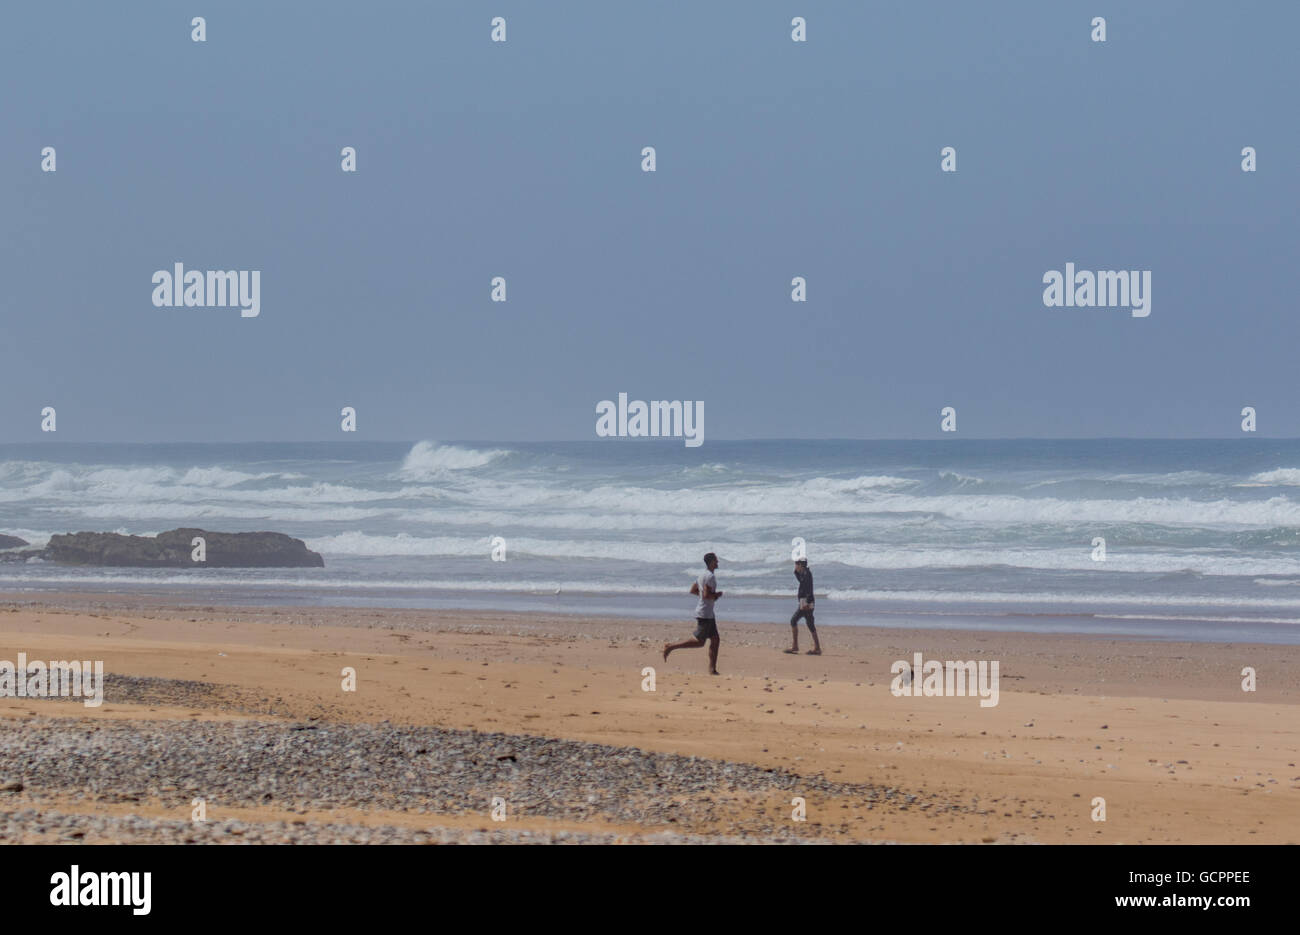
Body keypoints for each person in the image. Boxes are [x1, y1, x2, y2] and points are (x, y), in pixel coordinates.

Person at [663, 552, 723, 675]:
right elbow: (706, 595)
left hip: (707, 613)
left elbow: (693, 590)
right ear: (711, 562)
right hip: (705, 613)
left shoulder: (701, 575)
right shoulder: (710, 576)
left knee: (715, 639)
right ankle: (671, 646)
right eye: (716, 561)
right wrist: (717, 595)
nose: (718, 562)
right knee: (699, 642)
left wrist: (705, 596)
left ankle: (712, 669)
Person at [784, 558, 821, 655]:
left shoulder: (807, 574)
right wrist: (796, 573)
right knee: (810, 624)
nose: (795, 566)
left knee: (793, 621)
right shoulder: (805, 573)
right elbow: (802, 581)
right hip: (806, 601)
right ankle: (817, 648)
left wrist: (807, 603)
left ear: (800, 565)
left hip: (806, 602)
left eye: (796, 564)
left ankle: (795, 646)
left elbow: (808, 588)